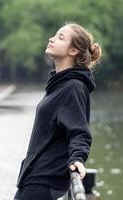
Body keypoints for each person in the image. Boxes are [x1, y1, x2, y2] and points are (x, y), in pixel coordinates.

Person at [14, 22, 102, 200]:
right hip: (34, 177)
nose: (51, 39)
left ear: (73, 51)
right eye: (55, 35)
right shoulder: (60, 85)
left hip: (44, 181)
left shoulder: (73, 87)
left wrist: (77, 159)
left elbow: (79, 131)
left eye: (60, 37)